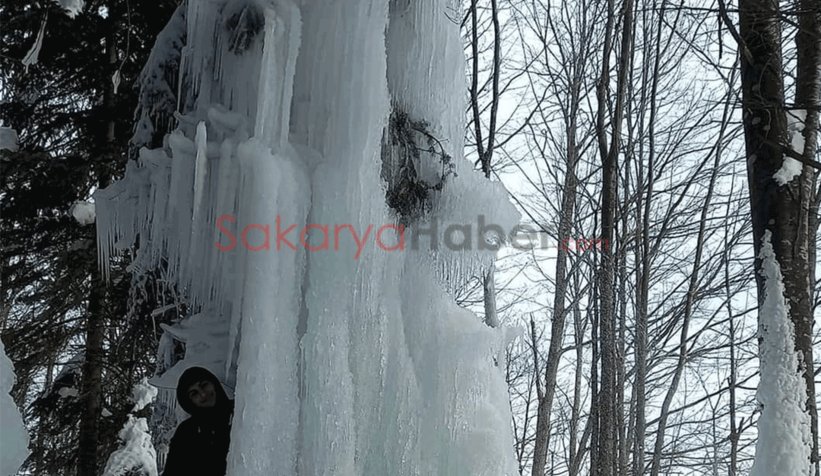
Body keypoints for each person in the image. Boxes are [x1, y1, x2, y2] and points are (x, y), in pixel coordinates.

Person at [162, 366, 234, 476]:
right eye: (194, 393)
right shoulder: (187, 432)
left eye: (204, 385)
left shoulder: (241, 411)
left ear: (214, 383)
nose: (203, 394)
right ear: (189, 401)